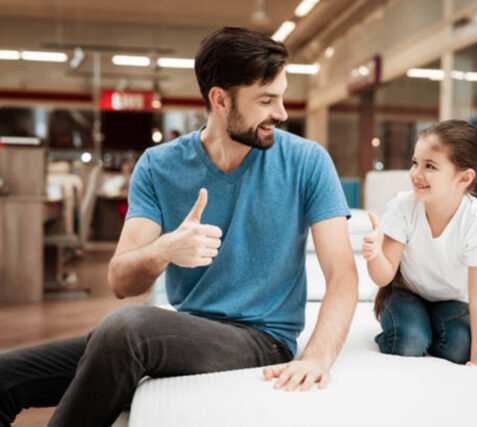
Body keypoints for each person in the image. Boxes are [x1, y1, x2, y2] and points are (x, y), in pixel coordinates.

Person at [0, 27, 358, 427]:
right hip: (184, 332)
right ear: (220, 100)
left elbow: (342, 273)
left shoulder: (308, 162)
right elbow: (121, 282)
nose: (282, 112)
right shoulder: (158, 165)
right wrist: (165, 250)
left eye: (281, 96)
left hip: (262, 340)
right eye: (266, 100)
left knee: (128, 328)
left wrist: (317, 357)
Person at [362, 120, 477, 368]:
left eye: (430, 166)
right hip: (406, 293)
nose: (416, 174)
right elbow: (383, 277)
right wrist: (375, 254)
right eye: (415, 162)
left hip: (450, 300)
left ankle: (426, 325)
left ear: (464, 177)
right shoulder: (403, 207)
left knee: (462, 349)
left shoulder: (475, 221)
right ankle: (410, 326)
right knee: (409, 343)